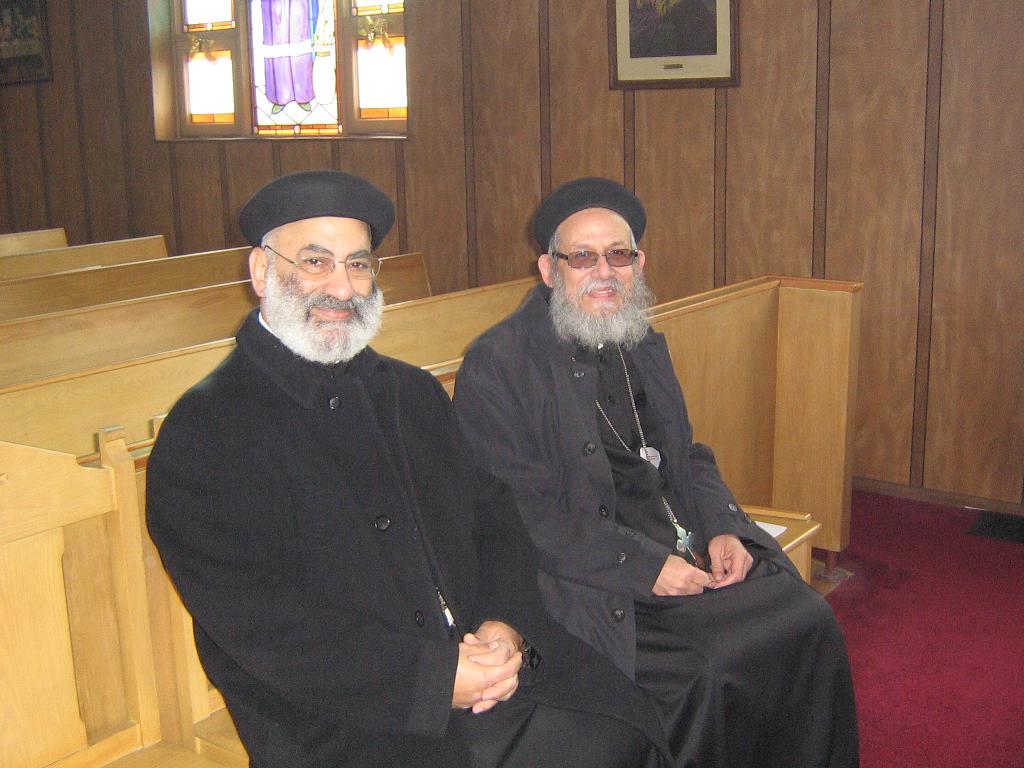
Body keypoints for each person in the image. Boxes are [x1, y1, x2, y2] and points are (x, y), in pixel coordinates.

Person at [146, 170, 668, 768]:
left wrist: (506, 625)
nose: (342, 287)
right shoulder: (206, 432)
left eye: (358, 264)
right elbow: (263, 624)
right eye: (315, 262)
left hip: (483, 663)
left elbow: (495, 522)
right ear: (262, 271)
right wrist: (434, 679)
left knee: (624, 723)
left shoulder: (411, 393)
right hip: (342, 711)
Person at [454, 177, 859, 767]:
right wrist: (645, 567)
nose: (604, 271)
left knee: (808, 617)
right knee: (707, 669)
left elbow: (687, 454)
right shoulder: (499, 364)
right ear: (548, 270)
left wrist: (724, 526)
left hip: (684, 552)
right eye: (582, 257)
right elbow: (522, 516)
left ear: (638, 264)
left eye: (618, 255)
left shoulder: (638, 338)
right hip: (592, 579)